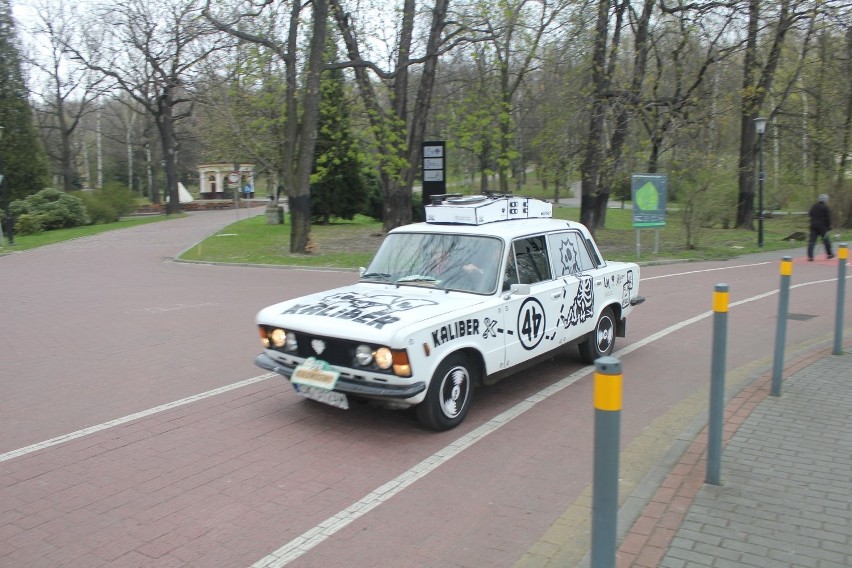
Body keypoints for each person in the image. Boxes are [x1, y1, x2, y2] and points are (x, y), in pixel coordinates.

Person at [807, 194, 834, 261]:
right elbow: (828, 218)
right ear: (825, 200)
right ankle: (829, 254)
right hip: (822, 226)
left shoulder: (814, 206)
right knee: (826, 240)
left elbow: (810, 214)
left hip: (813, 225)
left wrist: (814, 219)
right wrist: (829, 225)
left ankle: (810, 257)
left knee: (812, 241)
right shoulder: (825, 207)